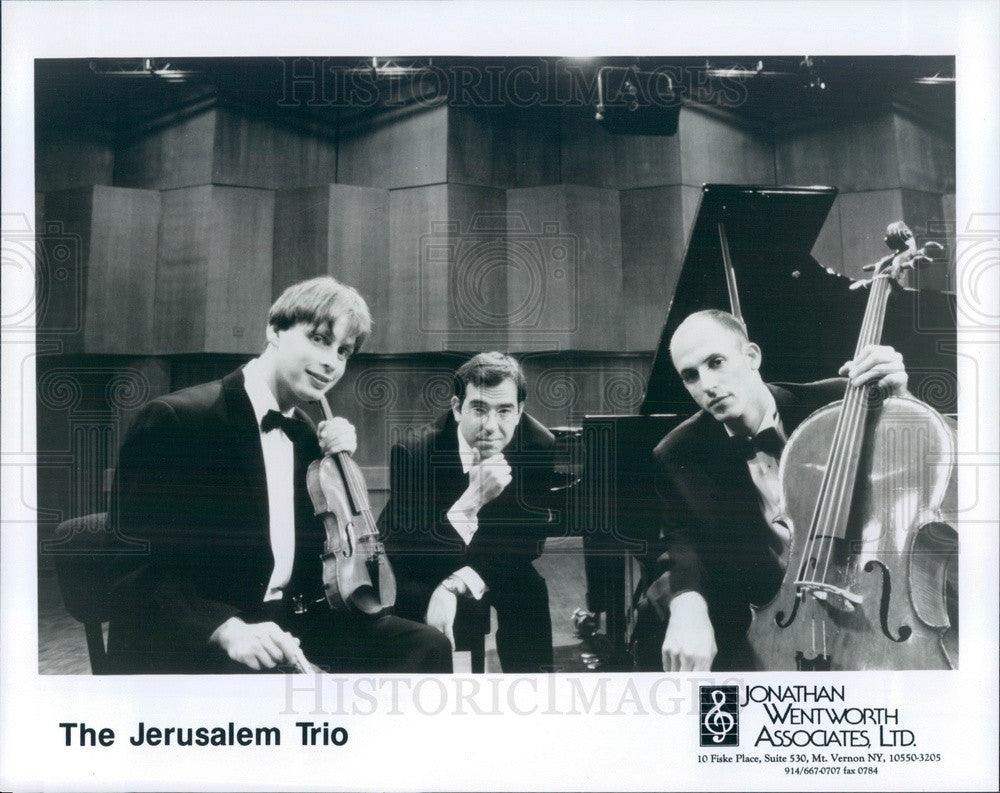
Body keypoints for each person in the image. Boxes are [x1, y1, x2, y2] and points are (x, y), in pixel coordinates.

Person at [108, 276, 451, 673]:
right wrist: (225, 628)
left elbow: (321, 558)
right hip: (204, 634)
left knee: (425, 646)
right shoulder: (178, 420)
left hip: (289, 622)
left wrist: (338, 472)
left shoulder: (306, 433)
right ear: (274, 330)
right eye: (319, 339)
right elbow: (128, 569)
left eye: (344, 351)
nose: (332, 363)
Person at [636, 309, 911, 672]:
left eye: (716, 362)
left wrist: (904, 403)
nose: (706, 385)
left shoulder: (841, 405)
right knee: (657, 617)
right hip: (772, 609)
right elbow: (681, 540)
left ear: (752, 356)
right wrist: (687, 603)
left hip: (869, 592)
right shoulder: (678, 452)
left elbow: (919, 467)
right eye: (691, 375)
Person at [378, 352, 564, 673]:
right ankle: (455, 688)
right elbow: (410, 551)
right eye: (479, 409)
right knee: (421, 600)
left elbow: (527, 540)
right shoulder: (415, 452)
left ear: (519, 412)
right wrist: (472, 499)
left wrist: (459, 583)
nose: (491, 426)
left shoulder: (538, 445)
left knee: (529, 590)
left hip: (494, 558)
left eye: (504, 411)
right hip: (429, 557)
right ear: (456, 408)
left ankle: (534, 696)